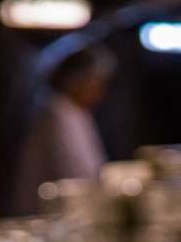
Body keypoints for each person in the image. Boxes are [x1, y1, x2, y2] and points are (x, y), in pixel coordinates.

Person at [13, 45, 117, 214]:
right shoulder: (56, 113)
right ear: (79, 79)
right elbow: (75, 172)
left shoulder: (77, 112)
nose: (101, 91)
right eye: (97, 82)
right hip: (50, 216)